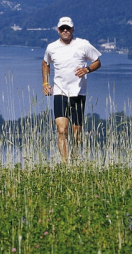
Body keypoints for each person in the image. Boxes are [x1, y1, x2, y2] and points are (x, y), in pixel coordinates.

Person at [42, 16, 101, 163]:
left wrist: (87, 69)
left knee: (76, 132)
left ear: (73, 29)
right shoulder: (52, 47)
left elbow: (97, 61)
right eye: (62, 28)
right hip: (60, 92)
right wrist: (45, 83)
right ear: (58, 30)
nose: (65, 31)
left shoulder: (83, 44)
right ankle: (64, 163)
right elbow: (45, 63)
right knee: (62, 131)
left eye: (68, 28)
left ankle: (74, 154)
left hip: (78, 93)